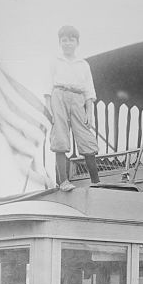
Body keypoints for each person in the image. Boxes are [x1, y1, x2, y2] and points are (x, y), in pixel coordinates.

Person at [45, 25, 100, 191]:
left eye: (71, 40)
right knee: (60, 137)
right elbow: (47, 89)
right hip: (59, 96)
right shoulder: (55, 61)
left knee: (86, 137)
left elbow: (89, 91)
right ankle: (63, 181)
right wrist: (50, 110)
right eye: (64, 40)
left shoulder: (83, 64)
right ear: (60, 42)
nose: (67, 43)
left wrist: (89, 112)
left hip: (78, 98)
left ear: (77, 42)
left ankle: (96, 182)